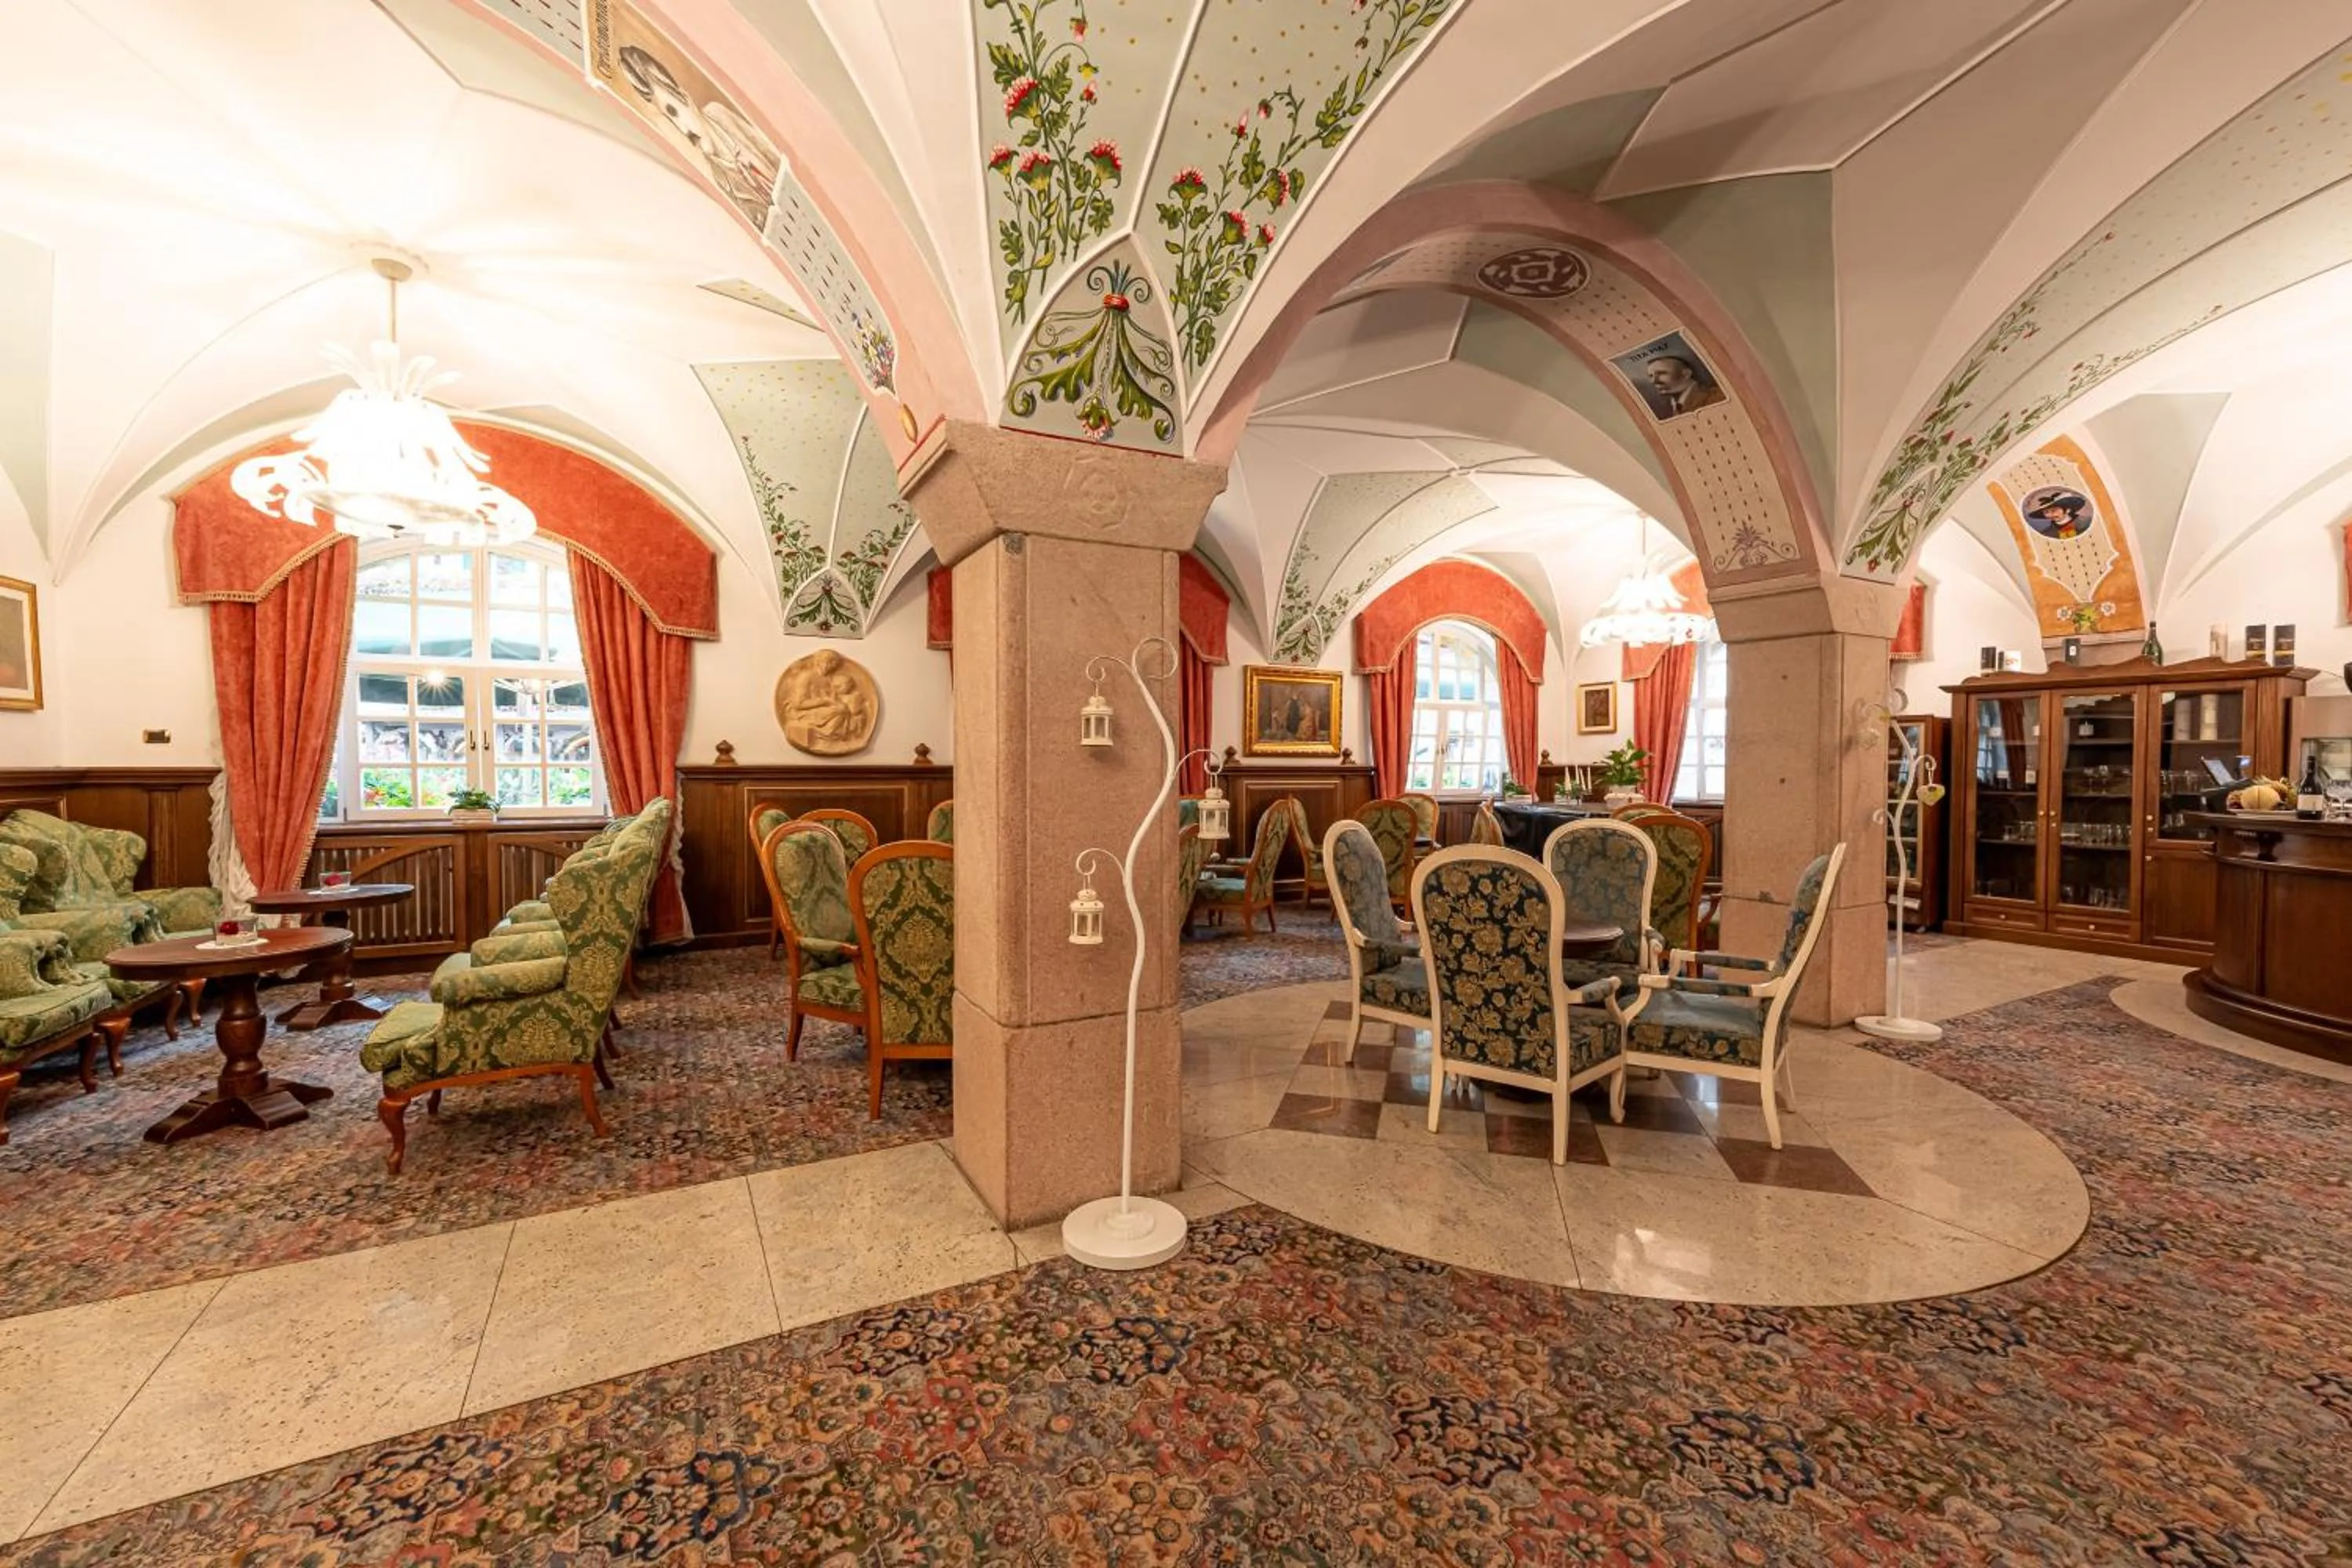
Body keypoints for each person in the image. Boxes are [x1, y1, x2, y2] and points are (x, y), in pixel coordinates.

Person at [1642, 354, 1725, 419]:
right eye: (1651, 376)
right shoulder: (1666, 408)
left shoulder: (1717, 396)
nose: (1654, 381)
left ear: (1686, 374)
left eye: (1662, 373)